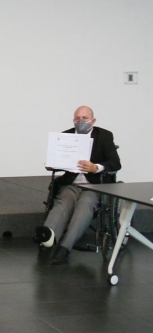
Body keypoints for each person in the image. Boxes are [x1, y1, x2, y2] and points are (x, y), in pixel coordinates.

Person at [35, 106, 121, 265]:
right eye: (77, 118)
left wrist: (96, 167)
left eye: (85, 118)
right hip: (72, 183)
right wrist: (53, 162)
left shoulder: (104, 136)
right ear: (73, 120)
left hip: (94, 185)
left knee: (85, 204)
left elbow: (115, 163)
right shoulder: (65, 136)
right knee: (63, 203)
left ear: (93, 121)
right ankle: (48, 237)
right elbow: (57, 161)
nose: (81, 121)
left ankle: (65, 247)